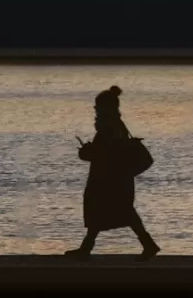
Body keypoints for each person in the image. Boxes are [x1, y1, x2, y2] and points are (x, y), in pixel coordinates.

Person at [65, 86, 160, 260]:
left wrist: (86, 152)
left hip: (108, 178)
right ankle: (147, 244)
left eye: (97, 106)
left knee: (108, 210)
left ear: (104, 108)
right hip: (117, 177)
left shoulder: (107, 128)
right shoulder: (116, 124)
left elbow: (104, 153)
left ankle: (147, 244)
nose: (95, 109)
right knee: (115, 211)